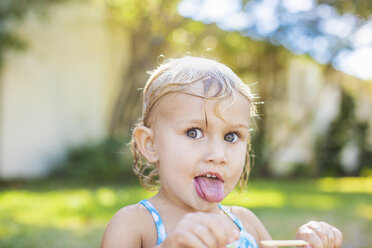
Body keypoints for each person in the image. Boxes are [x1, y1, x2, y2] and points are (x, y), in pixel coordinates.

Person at [101, 56, 343, 248]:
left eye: (231, 137)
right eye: (194, 132)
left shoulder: (246, 224)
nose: (218, 155)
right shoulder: (135, 225)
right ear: (150, 144)